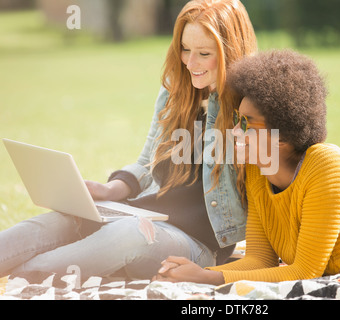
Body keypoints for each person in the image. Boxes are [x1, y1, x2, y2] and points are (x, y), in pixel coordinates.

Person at [0, 0, 257, 280]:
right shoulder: (175, 91)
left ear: (231, 51)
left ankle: (16, 281)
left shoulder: (250, 107)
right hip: (143, 215)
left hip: (196, 245)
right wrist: (110, 190)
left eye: (204, 53)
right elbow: (148, 162)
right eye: (185, 49)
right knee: (65, 219)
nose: (190, 63)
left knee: (128, 234)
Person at [153, 50, 340, 285]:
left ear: (281, 138)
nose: (234, 132)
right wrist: (199, 272)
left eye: (246, 124)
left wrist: (209, 277)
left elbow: (306, 271)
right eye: (236, 120)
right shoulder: (257, 170)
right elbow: (259, 260)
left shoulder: (325, 165)